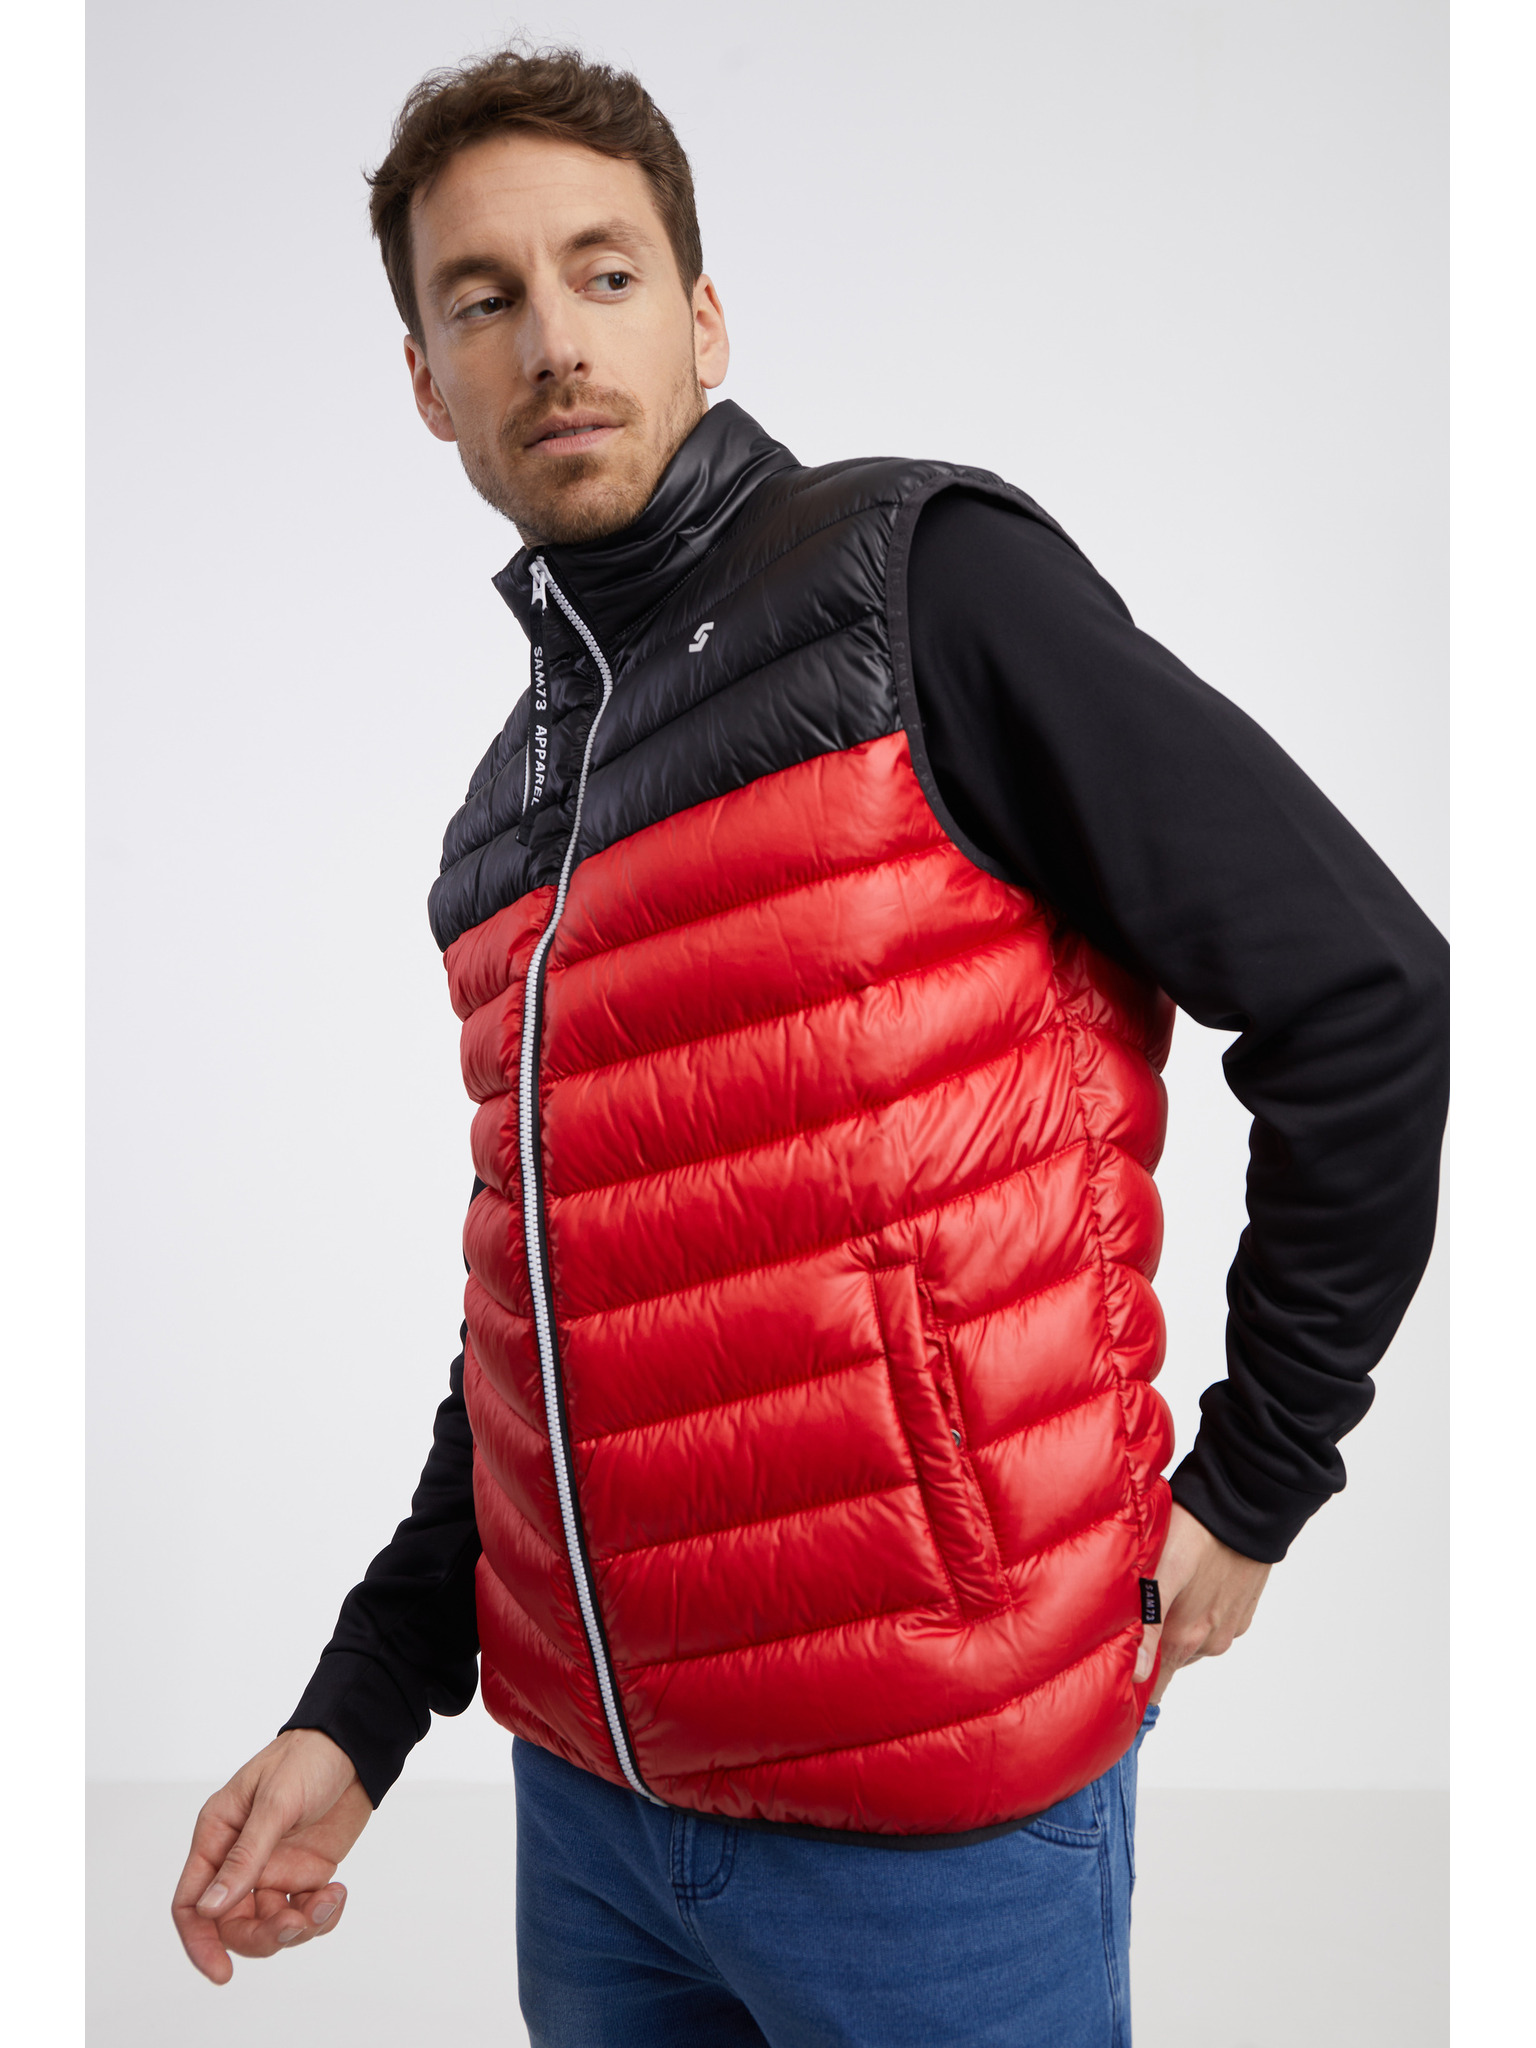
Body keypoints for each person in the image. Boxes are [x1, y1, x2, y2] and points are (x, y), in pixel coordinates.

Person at [171, 43, 1449, 2047]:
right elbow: (538, 1329)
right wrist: (361, 1708)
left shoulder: (917, 588)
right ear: (428, 381)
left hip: (938, 1811)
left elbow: (1362, 983)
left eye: (604, 273)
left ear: (703, 316)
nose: (552, 340)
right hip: (591, 1820)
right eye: (482, 299)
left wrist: (1260, 1475)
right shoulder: (504, 826)